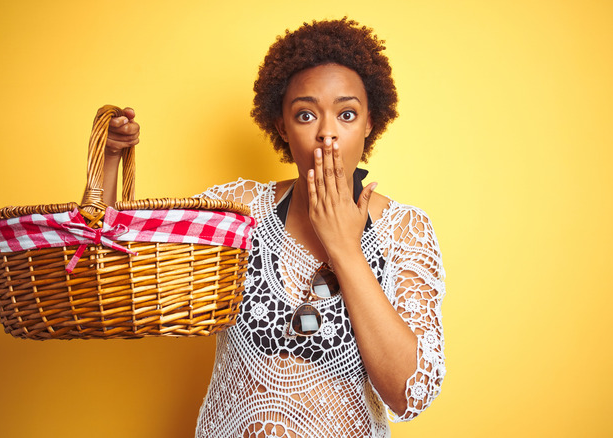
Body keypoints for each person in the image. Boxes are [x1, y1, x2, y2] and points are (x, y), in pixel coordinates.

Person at [103, 17, 446, 438]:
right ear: (282, 126)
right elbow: (118, 256)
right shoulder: (238, 209)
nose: (327, 135)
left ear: (370, 123)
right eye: (305, 114)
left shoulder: (402, 230)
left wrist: (343, 246)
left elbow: (410, 394)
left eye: (346, 114)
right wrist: (110, 162)